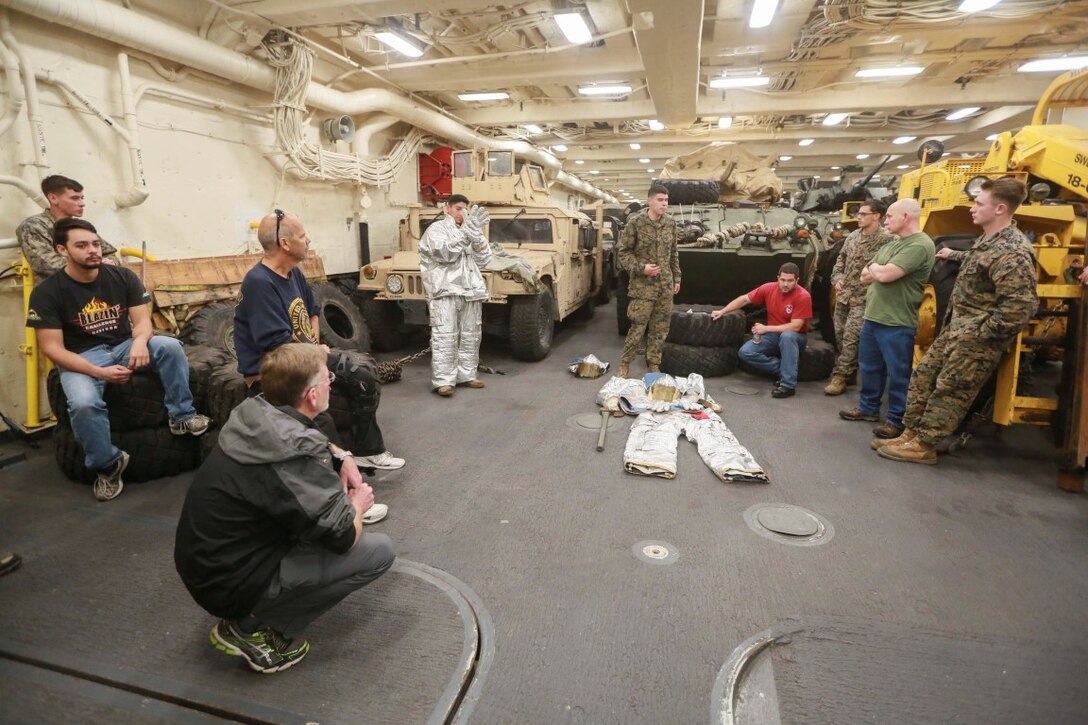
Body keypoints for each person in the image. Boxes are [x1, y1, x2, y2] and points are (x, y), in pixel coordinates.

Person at [175, 343, 395, 674]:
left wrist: (342, 455)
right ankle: (252, 628)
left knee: (324, 516)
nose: (331, 383)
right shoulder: (292, 457)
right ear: (311, 395)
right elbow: (343, 536)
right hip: (227, 583)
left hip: (207, 563)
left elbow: (305, 436)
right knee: (378, 552)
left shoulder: (256, 412)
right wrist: (357, 505)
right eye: (327, 378)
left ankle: (254, 609)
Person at [26, 218, 210, 501]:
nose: (93, 250)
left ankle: (181, 415)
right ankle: (108, 464)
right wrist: (99, 372)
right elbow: (53, 349)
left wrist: (138, 342)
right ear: (62, 250)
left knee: (169, 346)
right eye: (82, 245)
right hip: (81, 356)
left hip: (123, 344)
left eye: (96, 244)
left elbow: (142, 322)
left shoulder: (122, 277)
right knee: (84, 404)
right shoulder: (46, 293)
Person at [876, 178, 1038, 464]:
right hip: (956, 329)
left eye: (979, 203)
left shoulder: (1013, 250)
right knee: (924, 377)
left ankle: (925, 445)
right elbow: (982, 263)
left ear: (1000, 208)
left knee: (950, 391)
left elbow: (1021, 306)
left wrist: (981, 333)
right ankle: (910, 433)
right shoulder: (988, 241)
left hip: (975, 339)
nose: (972, 208)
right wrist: (955, 255)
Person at [234, 209, 404, 472]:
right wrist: (315, 356)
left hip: (303, 356)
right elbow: (276, 346)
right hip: (273, 370)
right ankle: (338, 487)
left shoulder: (293, 272)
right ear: (285, 243)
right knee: (319, 416)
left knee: (362, 379)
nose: (309, 240)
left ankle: (366, 451)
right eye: (303, 236)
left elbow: (312, 311)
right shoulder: (259, 283)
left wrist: (314, 350)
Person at [838, 199, 935, 439]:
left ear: (905, 217)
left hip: (897, 321)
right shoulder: (894, 244)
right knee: (869, 367)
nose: (886, 220)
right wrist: (878, 271)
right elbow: (865, 274)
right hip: (873, 316)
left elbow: (887, 274)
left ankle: (896, 419)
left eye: (890, 216)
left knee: (898, 373)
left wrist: (878, 271)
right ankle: (868, 407)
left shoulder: (920, 244)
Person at [417, 194, 493, 396]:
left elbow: (484, 259)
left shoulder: (469, 230)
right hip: (445, 292)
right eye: (459, 208)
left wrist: (477, 238)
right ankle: (443, 381)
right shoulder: (436, 230)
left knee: (471, 335)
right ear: (447, 209)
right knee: (445, 336)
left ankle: (467, 375)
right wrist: (468, 234)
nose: (463, 213)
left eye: (465, 209)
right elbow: (446, 254)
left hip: (471, 291)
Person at [824, 200, 895, 395]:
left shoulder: (887, 240)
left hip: (865, 298)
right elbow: (841, 259)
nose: (858, 217)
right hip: (844, 295)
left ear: (876, 216)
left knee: (851, 337)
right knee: (839, 334)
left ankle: (840, 376)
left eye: (863, 214)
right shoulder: (853, 237)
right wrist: (837, 277)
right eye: (859, 214)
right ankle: (850, 371)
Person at [712, 263, 812, 398]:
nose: (785, 284)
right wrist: (722, 311)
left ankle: (788, 385)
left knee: (787, 336)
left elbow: (795, 326)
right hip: (773, 336)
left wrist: (766, 328)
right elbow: (744, 299)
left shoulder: (803, 296)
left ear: (797, 281)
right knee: (745, 352)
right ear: (778, 278)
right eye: (782, 280)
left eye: (790, 281)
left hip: (795, 337)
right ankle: (784, 369)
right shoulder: (768, 288)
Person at [616, 184, 680, 378]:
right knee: (637, 327)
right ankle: (625, 365)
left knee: (660, 328)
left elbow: (674, 253)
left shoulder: (670, 223)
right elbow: (623, 252)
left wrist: (677, 277)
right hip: (643, 287)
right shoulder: (635, 223)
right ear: (650, 200)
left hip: (665, 285)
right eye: (660, 200)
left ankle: (653, 364)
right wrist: (641, 268)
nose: (664, 204)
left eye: (666, 201)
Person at [16, 175, 119, 279]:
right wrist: (97, 265)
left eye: (82, 198)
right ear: (53, 198)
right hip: (59, 290)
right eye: (74, 198)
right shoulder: (33, 226)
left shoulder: (79, 226)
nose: (82, 203)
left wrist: (109, 263)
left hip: (94, 286)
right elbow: (47, 265)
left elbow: (111, 254)